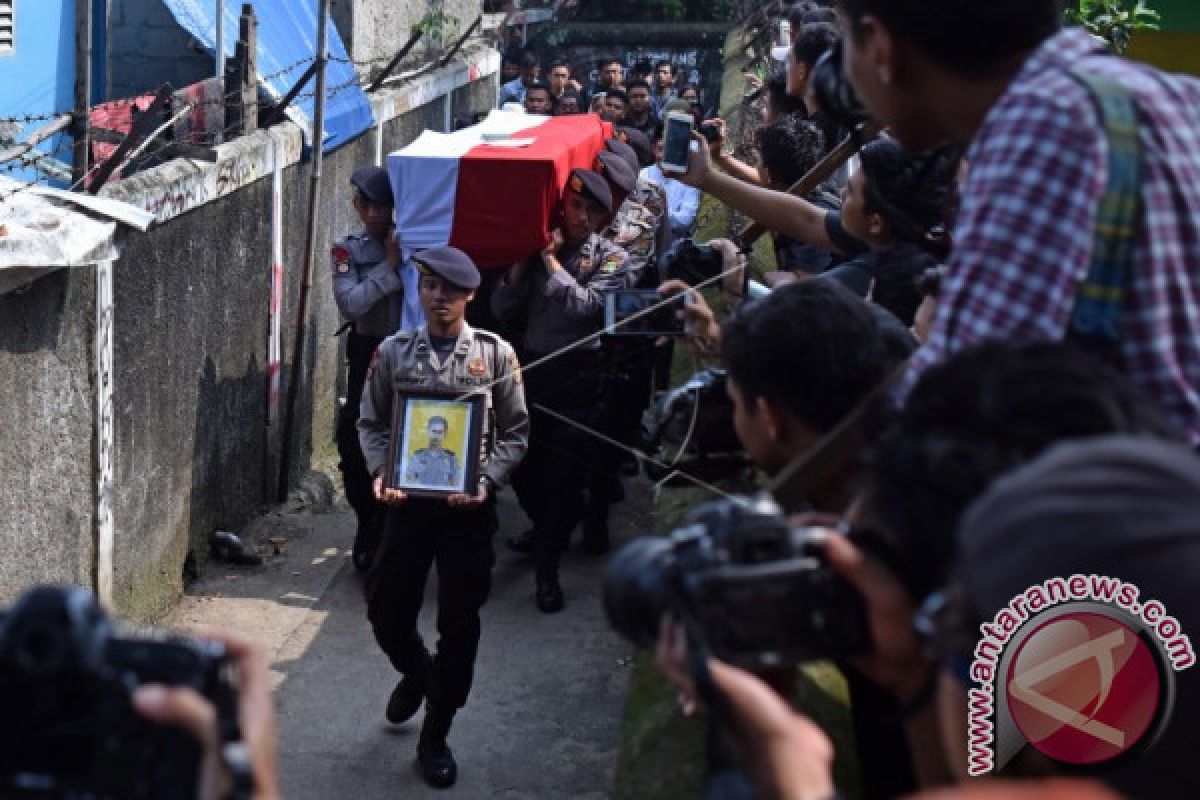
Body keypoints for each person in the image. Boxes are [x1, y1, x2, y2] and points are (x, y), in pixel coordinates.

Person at [834, 0, 1200, 445]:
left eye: (845, 39)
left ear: (880, 47)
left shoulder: (1040, 127)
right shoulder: (1177, 97)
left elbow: (967, 407)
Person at [358, 246, 529, 788]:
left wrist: (486, 481)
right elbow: (370, 421)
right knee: (386, 610)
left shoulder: (495, 356)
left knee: (459, 623)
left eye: (449, 289)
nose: (438, 297)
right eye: (429, 285)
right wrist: (381, 469)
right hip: (407, 507)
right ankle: (417, 672)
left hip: (465, 512)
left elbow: (516, 432)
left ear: (470, 294)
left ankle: (437, 732)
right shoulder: (392, 353)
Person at [491, 169, 635, 613]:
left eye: (594, 211)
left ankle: (547, 572)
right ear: (563, 206)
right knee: (526, 471)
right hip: (533, 372)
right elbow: (500, 308)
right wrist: (519, 266)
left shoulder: (613, 259)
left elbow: (585, 309)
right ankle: (545, 528)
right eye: (577, 206)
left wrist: (552, 264)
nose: (583, 218)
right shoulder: (534, 254)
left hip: (580, 376)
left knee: (564, 477)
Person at [332, 166, 405, 574]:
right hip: (368, 350)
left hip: (409, 352)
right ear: (358, 207)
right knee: (354, 442)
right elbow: (351, 303)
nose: (377, 213)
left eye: (384, 205)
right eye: (369, 205)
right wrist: (389, 268)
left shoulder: (415, 240)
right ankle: (367, 523)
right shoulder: (348, 250)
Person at [640, 129, 701, 241]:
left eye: (669, 150)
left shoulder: (689, 180)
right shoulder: (643, 175)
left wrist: (662, 209)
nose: (663, 155)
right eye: (660, 149)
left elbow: (685, 221)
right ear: (653, 149)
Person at [404, 416, 460, 488]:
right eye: (434, 431)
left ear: (444, 434)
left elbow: (455, 484)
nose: (436, 436)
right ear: (428, 431)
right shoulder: (417, 456)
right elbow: (410, 481)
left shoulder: (451, 459)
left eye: (440, 432)